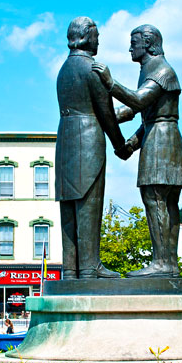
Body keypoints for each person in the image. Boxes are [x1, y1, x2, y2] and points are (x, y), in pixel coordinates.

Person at [98, 24, 182, 278]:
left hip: (162, 142)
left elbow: (138, 101)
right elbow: (142, 114)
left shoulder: (162, 70)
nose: (130, 48)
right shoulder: (150, 69)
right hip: (161, 137)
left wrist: (110, 83)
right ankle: (168, 264)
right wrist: (129, 142)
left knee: (156, 198)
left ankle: (163, 263)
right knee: (164, 201)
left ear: (147, 43)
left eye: (133, 43)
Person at [55, 16, 128, 279]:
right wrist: (121, 145)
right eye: (96, 36)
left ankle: (70, 270)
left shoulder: (64, 70)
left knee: (69, 208)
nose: (98, 41)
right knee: (89, 205)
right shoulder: (93, 69)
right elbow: (104, 114)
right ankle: (89, 268)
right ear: (86, 36)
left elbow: (87, 109)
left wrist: (123, 113)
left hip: (65, 140)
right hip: (88, 143)